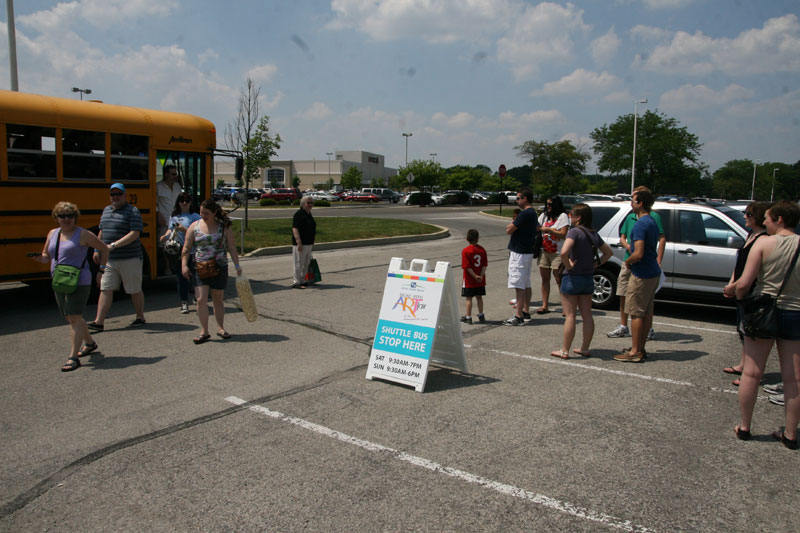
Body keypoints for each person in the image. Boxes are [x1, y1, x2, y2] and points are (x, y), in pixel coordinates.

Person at [729, 200, 800, 450]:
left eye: (768, 218)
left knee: (752, 372)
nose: (765, 222)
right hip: (795, 312)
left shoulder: (763, 243)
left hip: (763, 311)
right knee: (793, 379)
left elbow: (744, 283)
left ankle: (745, 427)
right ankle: (791, 434)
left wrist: (735, 293)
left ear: (779, 219)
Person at [35, 202, 109, 371]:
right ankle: (89, 343)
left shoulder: (83, 234)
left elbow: (104, 249)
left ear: (76, 217)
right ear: (56, 218)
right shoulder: (52, 234)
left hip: (80, 280)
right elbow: (47, 255)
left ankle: (73, 357)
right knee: (69, 317)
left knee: (74, 316)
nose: (66, 219)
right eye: (62, 215)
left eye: (70, 215)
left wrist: (101, 270)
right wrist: (41, 258)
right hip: (59, 280)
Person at [551, 203, 612, 359]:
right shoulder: (593, 233)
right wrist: (595, 264)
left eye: (571, 214)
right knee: (587, 314)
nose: (569, 217)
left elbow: (564, 252)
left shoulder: (574, 232)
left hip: (572, 278)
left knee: (570, 315)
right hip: (587, 277)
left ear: (579, 217)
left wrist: (568, 266)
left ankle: (565, 350)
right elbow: (608, 253)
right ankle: (585, 347)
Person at [607, 185, 666, 340]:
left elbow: (639, 252)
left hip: (640, 267)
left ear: (641, 202)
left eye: (633, 200)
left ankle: (636, 348)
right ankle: (628, 332)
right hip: (637, 264)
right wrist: (629, 248)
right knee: (626, 295)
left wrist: (631, 259)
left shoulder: (646, 221)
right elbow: (624, 237)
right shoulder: (637, 219)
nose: (631, 203)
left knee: (638, 311)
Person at [182, 199, 243, 344]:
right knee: (201, 299)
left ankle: (221, 328)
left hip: (219, 267)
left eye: (206, 213)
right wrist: (184, 265)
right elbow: (186, 248)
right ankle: (204, 331)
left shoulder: (224, 227)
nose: (203, 215)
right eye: (201, 212)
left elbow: (232, 247)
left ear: (215, 212)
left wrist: (237, 265)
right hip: (200, 268)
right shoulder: (194, 226)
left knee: (218, 299)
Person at [722, 201, 769, 386]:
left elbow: (755, 270)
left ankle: (752, 373)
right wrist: (732, 283)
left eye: (748, 214)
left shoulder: (763, 238)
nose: (745, 217)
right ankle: (743, 365)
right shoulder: (751, 235)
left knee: (751, 332)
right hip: (741, 288)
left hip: (752, 291)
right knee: (743, 331)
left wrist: (737, 286)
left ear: (758, 217)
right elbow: (740, 263)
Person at [89, 183, 146, 331]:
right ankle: (99, 321)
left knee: (134, 289)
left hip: (130, 257)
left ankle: (140, 317)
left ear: (125, 196)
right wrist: (97, 249)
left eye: (118, 194)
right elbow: (102, 231)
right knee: (105, 288)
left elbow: (135, 233)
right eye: (113, 194)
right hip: (110, 259)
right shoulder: (106, 211)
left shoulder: (133, 211)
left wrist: (114, 245)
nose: (115, 197)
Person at [159, 193, 201, 314]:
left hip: (193, 250)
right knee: (181, 277)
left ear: (191, 202)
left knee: (195, 277)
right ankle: (184, 301)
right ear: (178, 202)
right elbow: (170, 229)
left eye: (187, 200)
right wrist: (165, 236)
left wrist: (184, 230)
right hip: (178, 250)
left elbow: (198, 234)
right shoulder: (174, 216)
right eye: (181, 200)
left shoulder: (195, 217)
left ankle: (197, 298)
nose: (184, 203)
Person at [504, 189, 537, 325]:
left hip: (520, 253)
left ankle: (518, 316)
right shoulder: (533, 213)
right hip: (526, 252)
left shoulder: (525, 214)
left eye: (518, 198)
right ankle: (525, 311)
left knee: (518, 284)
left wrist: (513, 223)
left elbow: (509, 230)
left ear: (525, 199)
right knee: (525, 283)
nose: (517, 201)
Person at [536, 196, 570, 314]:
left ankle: (566, 307)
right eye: (547, 204)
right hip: (544, 251)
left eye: (550, 204)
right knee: (545, 279)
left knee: (559, 279)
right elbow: (537, 227)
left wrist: (548, 229)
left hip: (557, 252)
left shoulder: (562, 217)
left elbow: (563, 234)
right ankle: (545, 305)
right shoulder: (544, 216)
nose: (548, 207)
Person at [460, 229, 487, 325]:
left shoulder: (466, 251)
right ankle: (481, 314)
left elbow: (467, 266)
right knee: (479, 297)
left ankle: (468, 317)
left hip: (469, 280)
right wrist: (480, 276)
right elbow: (484, 265)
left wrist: (475, 276)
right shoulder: (482, 250)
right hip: (480, 280)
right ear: (477, 239)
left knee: (469, 298)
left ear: (467, 239)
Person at [291, 196, 316, 288]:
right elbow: (295, 229)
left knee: (306, 263)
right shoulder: (299, 214)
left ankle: (303, 280)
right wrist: (299, 243)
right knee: (298, 263)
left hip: (308, 243)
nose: (310, 205)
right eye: (308, 203)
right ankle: (296, 282)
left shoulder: (308, 213)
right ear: (303, 204)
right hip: (301, 244)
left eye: (311, 203)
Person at [156, 164, 182, 240]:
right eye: (173, 174)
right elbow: (154, 203)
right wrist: (158, 214)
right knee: (163, 243)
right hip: (164, 222)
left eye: (176, 174)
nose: (175, 176)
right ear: (166, 174)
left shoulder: (177, 186)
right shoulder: (158, 187)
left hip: (177, 221)